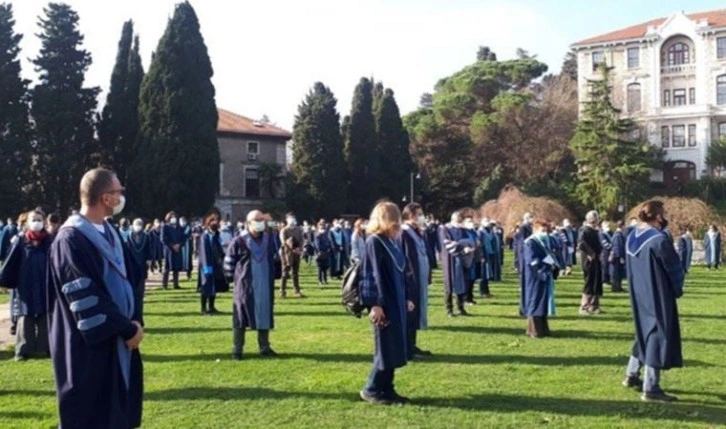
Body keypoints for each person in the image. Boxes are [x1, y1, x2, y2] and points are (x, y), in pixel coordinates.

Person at [47, 167, 144, 428]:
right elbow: (86, 296)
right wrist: (126, 328)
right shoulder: (70, 239)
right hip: (90, 346)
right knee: (92, 415)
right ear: (105, 198)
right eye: (119, 191)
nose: (122, 196)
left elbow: (132, 279)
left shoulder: (111, 233)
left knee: (117, 414)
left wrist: (135, 321)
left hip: (120, 339)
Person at [622, 200, 684, 402]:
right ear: (658, 216)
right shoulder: (659, 240)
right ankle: (651, 387)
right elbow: (674, 269)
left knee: (644, 330)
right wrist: (677, 289)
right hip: (658, 294)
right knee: (658, 334)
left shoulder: (631, 237)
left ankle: (631, 374)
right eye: (663, 213)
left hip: (639, 293)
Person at [359, 201, 414, 405]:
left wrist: (407, 297)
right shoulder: (374, 242)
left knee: (394, 346)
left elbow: (402, 272)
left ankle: (387, 388)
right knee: (385, 347)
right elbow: (369, 275)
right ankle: (371, 388)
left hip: (396, 301)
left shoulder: (392, 242)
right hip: (384, 303)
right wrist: (374, 303)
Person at [0, 210, 53, 360]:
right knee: (25, 317)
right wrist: (4, 281)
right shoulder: (20, 240)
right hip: (25, 283)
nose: (37, 222)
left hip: (45, 283)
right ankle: (22, 350)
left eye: (39, 219)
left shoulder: (50, 241)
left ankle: (46, 347)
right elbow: (11, 261)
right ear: (28, 222)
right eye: (34, 219)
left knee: (45, 316)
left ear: (44, 222)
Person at [225, 210, 277, 360]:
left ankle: (264, 347)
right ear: (248, 223)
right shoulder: (238, 241)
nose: (261, 223)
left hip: (265, 284)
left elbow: (275, 259)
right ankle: (237, 349)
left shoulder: (269, 240)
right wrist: (230, 279)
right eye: (257, 220)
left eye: (262, 220)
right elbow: (229, 263)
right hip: (245, 285)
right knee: (241, 316)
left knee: (264, 314)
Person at [400, 203, 432, 360]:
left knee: (417, 312)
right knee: (410, 313)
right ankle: (406, 348)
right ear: (410, 215)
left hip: (420, 279)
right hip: (411, 280)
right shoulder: (405, 233)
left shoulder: (417, 232)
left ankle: (412, 344)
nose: (422, 216)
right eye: (419, 214)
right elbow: (407, 259)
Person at [522, 219, 558, 338]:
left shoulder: (543, 242)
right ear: (535, 230)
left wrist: (552, 264)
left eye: (546, 231)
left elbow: (547, 256)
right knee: (535, 300)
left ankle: (543, 329)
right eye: (542, 230)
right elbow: (532, 260)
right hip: (534, 276)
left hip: (544, 275)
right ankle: (533, 330)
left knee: (542, 301)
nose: (545, 233)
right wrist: (542, 270)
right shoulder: (530, 243)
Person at [439, 211, 473, 317]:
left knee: (461, 283)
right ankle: (449, 309)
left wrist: (462, 246)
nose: (460, 223)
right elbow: (447, 244)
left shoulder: (463, 230)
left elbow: (470, 241)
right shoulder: (445, 229)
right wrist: (461, 247)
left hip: (462, 260)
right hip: (450, 259)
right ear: (453, 220)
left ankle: (460, 307)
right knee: (449, 284)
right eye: (458, 221)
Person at [198, 212, 229, 315]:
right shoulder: (205, 236)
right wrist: (207, 267)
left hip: (216, 264)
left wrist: (223, 257)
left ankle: (211, 306)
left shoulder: (216, 235)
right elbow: (204, 251)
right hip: (206, 265)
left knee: (214, 286)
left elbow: (219, 249)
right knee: (206, 285)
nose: (215, 223)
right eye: (213, 221)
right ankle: (203, 308)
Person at [578, 210, 604, 315]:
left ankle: (594, 305)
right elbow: (581, 243)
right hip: (589, 260)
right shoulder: (584, 230)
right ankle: (584, 306)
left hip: (596, 259)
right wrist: (591, 253)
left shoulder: (594, 231)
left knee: (596, 282)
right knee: (589, 282)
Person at [279, 212, 305, 298]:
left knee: (295, 272)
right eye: (290, 218)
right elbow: (283, 242)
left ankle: (297, 290)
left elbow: (302, 240)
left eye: (293, 218)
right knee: (285, 272)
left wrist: (300, 249)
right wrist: (293, 248)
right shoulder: (284, 230)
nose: (292, 220)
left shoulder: (298, 229)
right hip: (287, 253)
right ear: (287, 219)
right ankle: (282, 290)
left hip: (297, 253)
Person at [161, 212, 185, 290]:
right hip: (169, 250)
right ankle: (165, 284)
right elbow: (163, 239)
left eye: (175, 216)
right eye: (172, 217)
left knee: (176, 267)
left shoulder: (180, 228)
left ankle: (176, 283)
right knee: (167, 267)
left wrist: (179, 245)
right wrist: (172, 245)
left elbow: (183, 238)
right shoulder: (165, 227)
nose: (173, 218)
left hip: (178, 249)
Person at [610, 221, 627, 292]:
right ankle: (615, 287)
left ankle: (619, 286)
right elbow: (618, 247)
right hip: (616, 257)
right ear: (622, 226)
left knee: (619, 272)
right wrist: (621, 257)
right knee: (616, 273)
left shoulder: (619, 235)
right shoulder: (618, 235)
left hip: (618, 256)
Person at [314, 220, 332, 285]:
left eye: (323, 226)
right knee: (320, 268)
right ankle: (320, 280)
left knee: (325, 267)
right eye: (321, 226)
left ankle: (325, 279)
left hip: (326, 252)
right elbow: (317, 244)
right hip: (320, 253)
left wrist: (328, 248)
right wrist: (320, 250)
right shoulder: (317, 235)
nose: (322, 228)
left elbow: (328, 242)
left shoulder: (326, 234)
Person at [599, 221, 613, 287]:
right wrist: (610, 247)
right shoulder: (601, 234)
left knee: (608, 266)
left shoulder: (610, 233)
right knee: (604, 266)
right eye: (607, 226)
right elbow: (604, 243)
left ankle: (608, 279)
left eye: (609, 226)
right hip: (604, 252)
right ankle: (603, 280)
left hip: (609, 252)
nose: (608, 227)